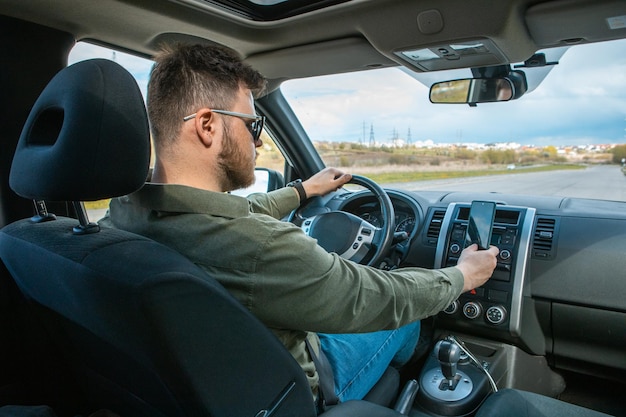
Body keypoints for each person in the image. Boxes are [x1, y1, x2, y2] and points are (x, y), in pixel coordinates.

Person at [99, 43, 499, 405]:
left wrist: (301, 191)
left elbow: (238, 211)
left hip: (203, 387)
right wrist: (461, 276)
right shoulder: (262, 247)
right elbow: (376, 297)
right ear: (207, 125)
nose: (258, 142)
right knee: (410, 317)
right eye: (252, 125)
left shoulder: (122, 215)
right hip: (296, 390)